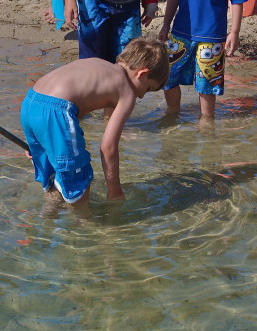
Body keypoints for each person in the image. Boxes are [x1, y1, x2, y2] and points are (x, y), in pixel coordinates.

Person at [20, 38, 170, 206]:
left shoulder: (97, 63)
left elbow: (68, 97)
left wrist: (39, 138)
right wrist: (114, 190)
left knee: (57, 175)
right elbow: (108, 147)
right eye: (148, 88)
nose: (142, 96)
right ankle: (84, 220)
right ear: (142, 74)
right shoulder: (126, 93)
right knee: (80, 182)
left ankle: (49, 215)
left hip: (30, 102)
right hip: (57, 111)